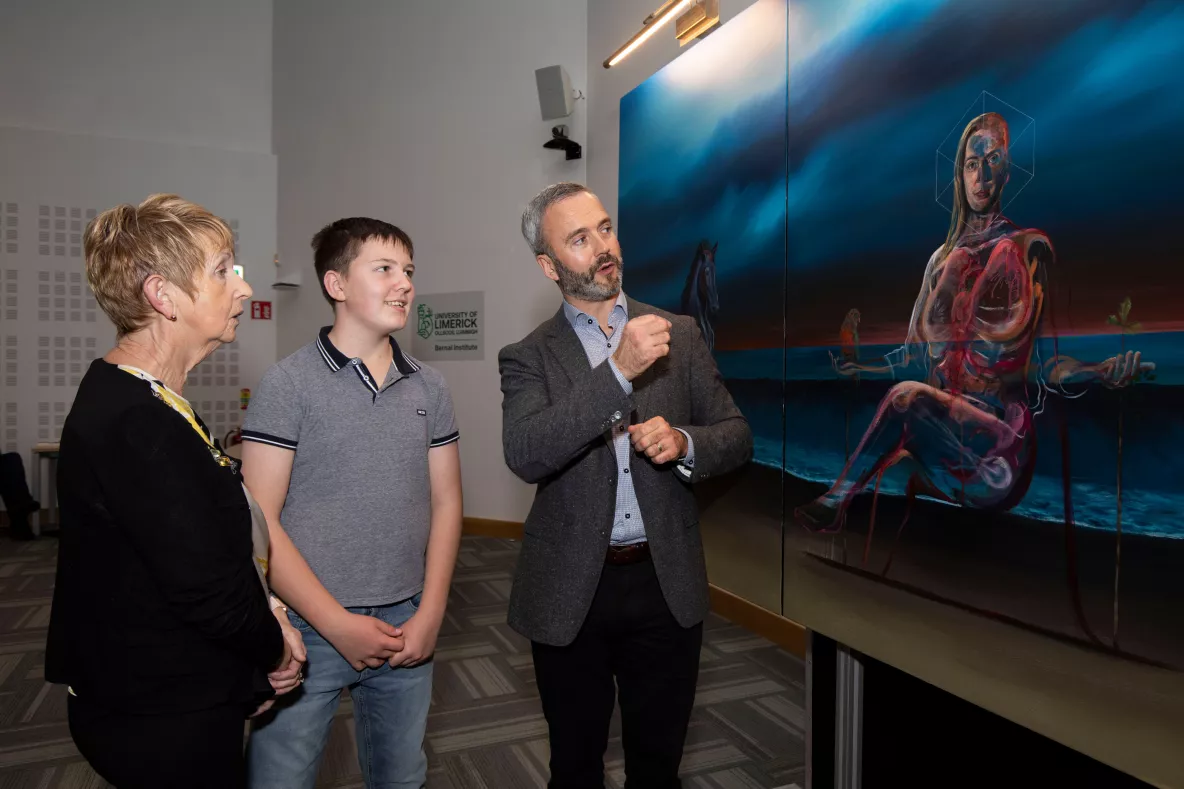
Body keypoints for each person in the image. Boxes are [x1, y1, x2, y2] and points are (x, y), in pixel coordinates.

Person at [45, 194, 306, 789]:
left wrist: (262, 627)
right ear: (163, 297)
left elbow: (196, 551)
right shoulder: (136, 421)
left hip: (172, 692)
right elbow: (205, 590)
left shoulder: (148, 400)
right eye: (222, 272)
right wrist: (274, 650)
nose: (242, 289)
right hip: (155, 712)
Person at [500, 182, 753, 788]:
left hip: (665, 583)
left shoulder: (680, 334)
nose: (603, 247)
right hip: (568, 592)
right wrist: (619, 371)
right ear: (549, 265)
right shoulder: (527, 356)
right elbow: (528, 452)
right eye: (580, 239)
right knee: (576, 767)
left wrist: (686, 444)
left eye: (606, 228)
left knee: (657, 766)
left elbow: (737, 434)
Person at [796, 112, 1153, 534]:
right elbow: (912, 354)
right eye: (971, 163)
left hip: (997, 457)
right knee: (903, 410)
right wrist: (860, 366)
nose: (981, 174)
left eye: (993, 159)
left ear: (1006, 170)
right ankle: (843, 509)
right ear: (959, 174)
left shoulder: (1026, 251)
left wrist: (1099, 372)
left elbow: (1048, 366)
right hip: (944, 445)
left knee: (905, 398)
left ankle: (836, 502)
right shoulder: (939, 260)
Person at [242, 217, 463, 789]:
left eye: (409, 271)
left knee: (401, 777)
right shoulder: (288, 384)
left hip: (406, 622)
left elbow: (447, 502)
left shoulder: (430, 387)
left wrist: (431, 613)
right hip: (307, 628)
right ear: (336, 285)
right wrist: (336, 623)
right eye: (384, 269)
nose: (404, 284)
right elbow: (260, 521)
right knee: (278, 779)